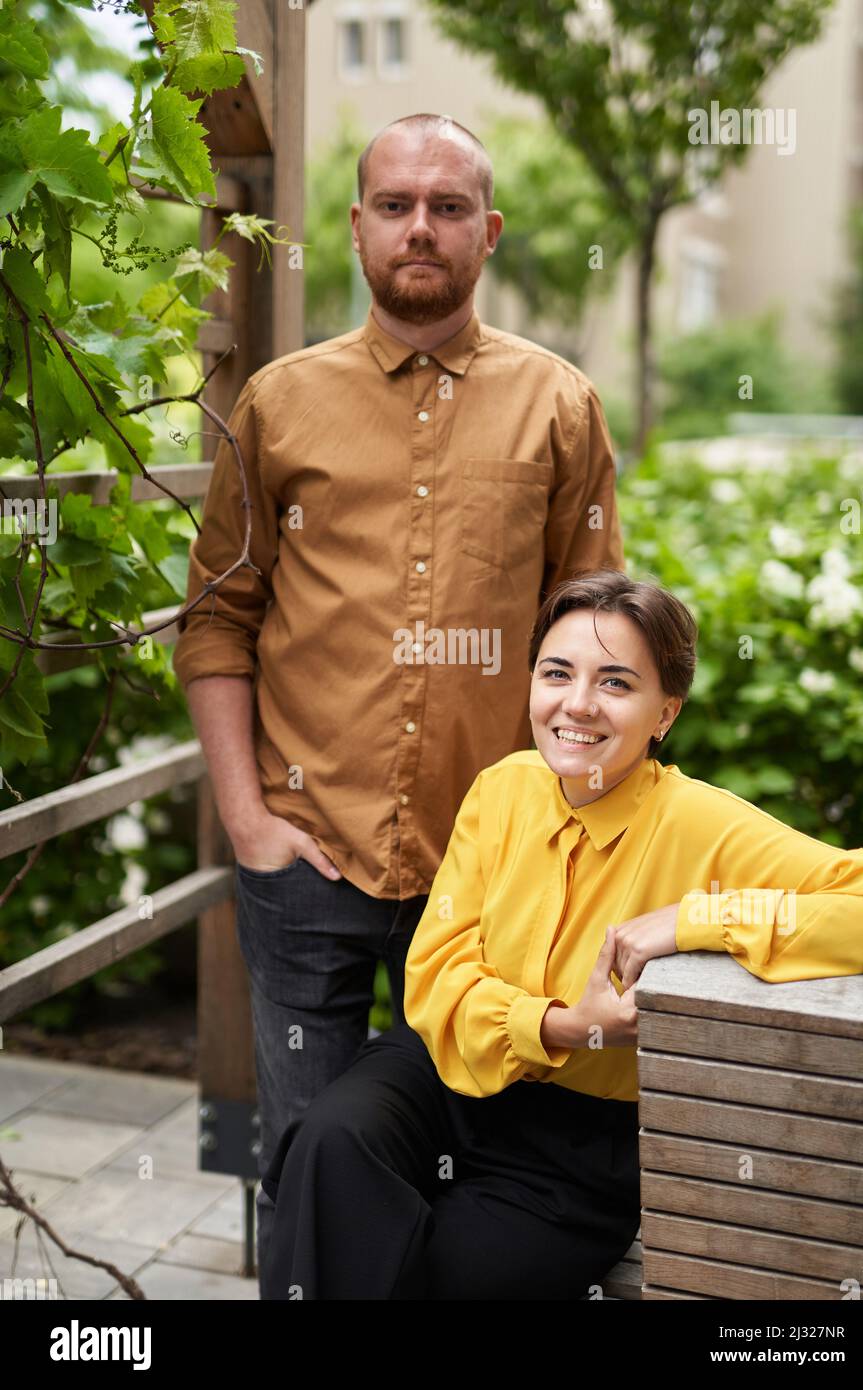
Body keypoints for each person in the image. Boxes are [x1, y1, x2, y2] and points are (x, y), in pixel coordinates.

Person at [171, 113, 624, 1280]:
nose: (419, 227)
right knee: (310, 1167)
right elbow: (217, 621)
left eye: (448, 205)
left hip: (490, 871)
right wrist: (251, 821)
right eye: (395, 204)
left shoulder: (559, 406)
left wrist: (570, 837)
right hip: (304, 860)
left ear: (488, 232)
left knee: (474, 1166)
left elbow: (595, 646)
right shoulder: (276, 406)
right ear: (359, 226)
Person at [258, 569, 863, 1300]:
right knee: (327, 1148)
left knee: (442, 1275)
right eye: (556, 673)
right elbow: (436, 973)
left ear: (665, 712)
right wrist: (562, 1024)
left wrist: (693, 920)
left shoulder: (701, 823)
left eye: (616, 684)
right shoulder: (503, 788)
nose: (577, 704)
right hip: (443, 1070)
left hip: (581, 1140)